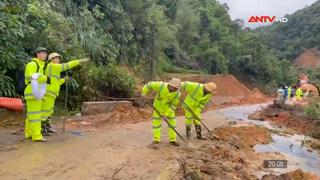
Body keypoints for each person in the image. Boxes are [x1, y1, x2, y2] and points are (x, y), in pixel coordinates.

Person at [41, 53, 90, 134]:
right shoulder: (52, 66)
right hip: (49, 93)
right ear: (52, 59)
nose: (58, 60)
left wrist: (63, 80)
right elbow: (66, 65)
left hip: (51, 92)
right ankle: (42, 129)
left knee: (49, 111)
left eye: (59, 58)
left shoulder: (53, 69)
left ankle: (47, 126)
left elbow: (55, 82)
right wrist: (78, 61)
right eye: (56, 58)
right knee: (45, 111)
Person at [142, 78, 181, 147]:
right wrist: (143, 93)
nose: (172, 88)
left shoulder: (177, 94)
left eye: (174, 87)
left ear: (177, 88)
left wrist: (166, 114)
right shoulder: (161, 85)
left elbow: (173, 105)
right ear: (169, 84)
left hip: (168, 110)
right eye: (171, 86)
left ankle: (172, 140)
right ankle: (156, 140)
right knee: (156, 125)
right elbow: (149, 85)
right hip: (157, 108)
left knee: (172, 125)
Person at [24, 47, 49, 142]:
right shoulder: (32, 64)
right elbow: (33, 76)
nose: (44, 55)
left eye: (45, 53)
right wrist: (45, 78)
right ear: (37, 54)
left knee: (31, 114)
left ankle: (29, 133)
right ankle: (36, 136)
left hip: (35, 92)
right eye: (42, 53)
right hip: (33, 92)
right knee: (35, 115)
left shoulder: (41, 65)